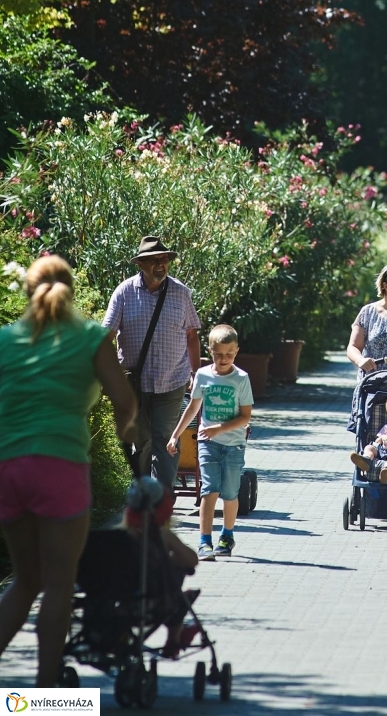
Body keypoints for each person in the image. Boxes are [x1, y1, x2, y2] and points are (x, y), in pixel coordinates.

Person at [0, 256, 137, 686]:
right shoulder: (91, 338)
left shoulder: (5, 340)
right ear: (71, 291)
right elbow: (124, 400)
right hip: (60, 466)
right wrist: (124, 430)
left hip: (9, 469)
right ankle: (44, 693)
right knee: (59, 583)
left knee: (25, 579)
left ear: (29, 290)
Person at [103, 235, 202, 489]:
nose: (161, 264)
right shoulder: (124, 292)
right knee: (143, 442)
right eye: (153, 260)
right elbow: (107, 336)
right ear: (141, 264)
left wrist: (195, 373)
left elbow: (192, 334)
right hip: (134, 385)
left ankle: (162, 499)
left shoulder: (180, 293)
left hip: (172, 381)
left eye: (164, 259)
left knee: (166, 439)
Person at [167, 324, 253, 561]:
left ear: (236, 351)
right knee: (208, 491)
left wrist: (220, 428)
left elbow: (245, 416)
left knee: (229, 493)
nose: (223, 359)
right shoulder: (203, 375)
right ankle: (205, 541)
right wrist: (175, 434)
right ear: (210, 350)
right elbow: (193, 407)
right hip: (207, 444)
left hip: (233, 445)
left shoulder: (241, 379)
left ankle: (227, 535)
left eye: (229, 354)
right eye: (218, 354)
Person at [121, 476, 199, 657]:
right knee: (175, 581)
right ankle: (174, 639)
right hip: (155, 603)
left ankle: (120, 638)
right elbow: (192, 560)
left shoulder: (118, 537)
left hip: (116, 603)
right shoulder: (160, 536)